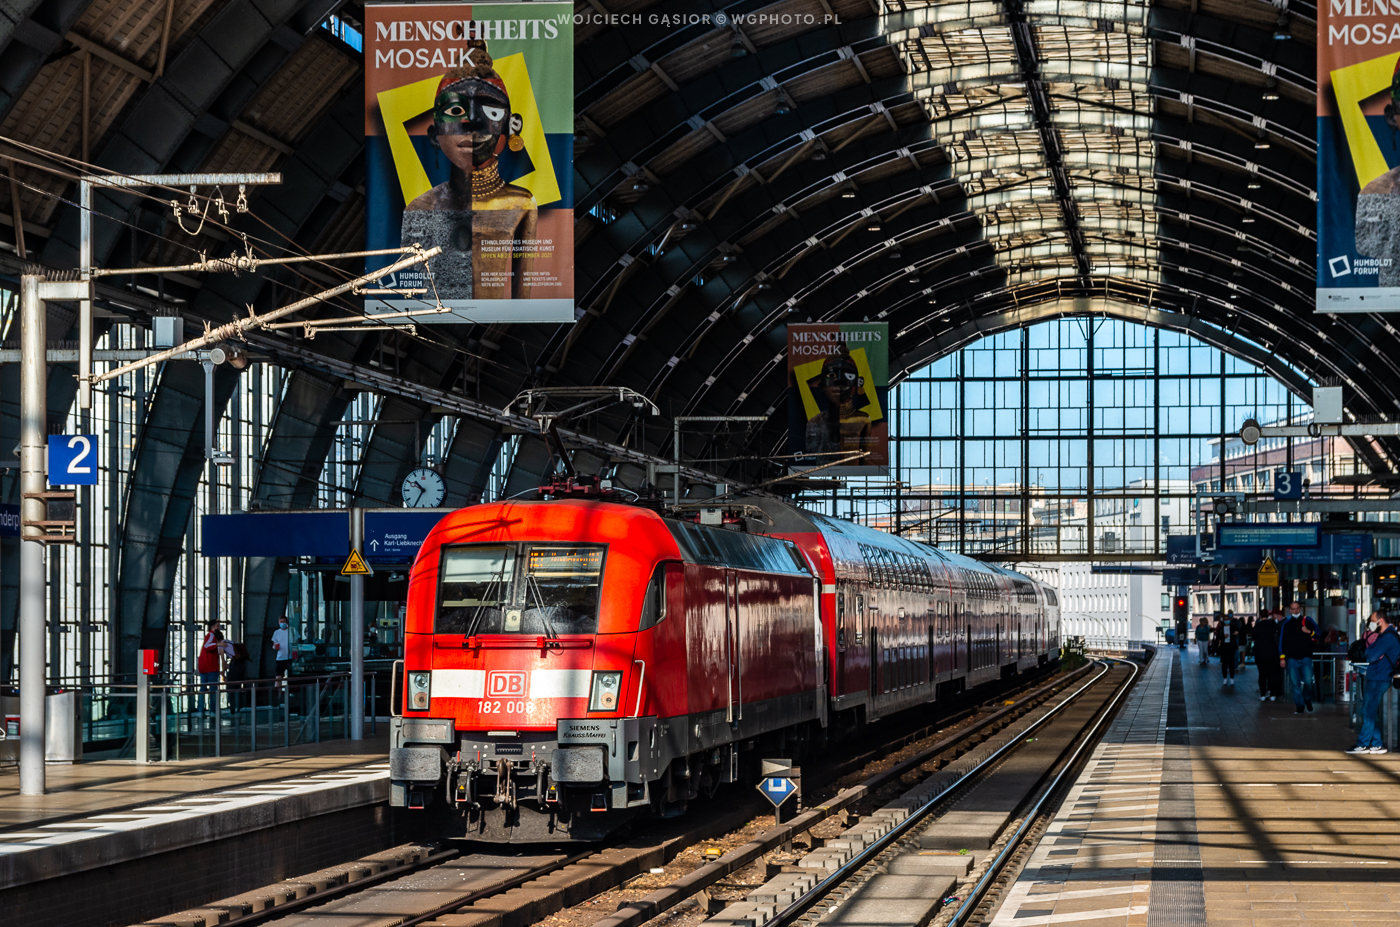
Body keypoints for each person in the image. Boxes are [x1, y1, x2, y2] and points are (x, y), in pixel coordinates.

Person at [403, 40, 537, 301]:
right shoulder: (419, 208)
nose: (473, 124)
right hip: (438, 320)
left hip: (494, 321)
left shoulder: (521, 203)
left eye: (491, 111)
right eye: (456, 110)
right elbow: (414, 291)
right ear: (434, 135)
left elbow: (523, 297)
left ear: (511, 127)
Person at [1348, 610, 1399, 755]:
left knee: (1368, 711)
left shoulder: (1388, 637)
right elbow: (1370, 652)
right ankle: (1376, 744)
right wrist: (1372, 650)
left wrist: (1372, 651)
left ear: (1380, 621)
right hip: (1377, 676)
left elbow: (1371, 655)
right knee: (1368, 711)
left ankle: (1363, 744)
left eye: (1372, 620)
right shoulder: (1385, 636)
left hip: (1379, 678)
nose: (1370, 624)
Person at [1279, 601, 1320, 714]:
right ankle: (1300, 706)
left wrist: (1309, 632)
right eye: (1293, 609)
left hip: (1306, 656)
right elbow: (1282, 641)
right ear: (1290, 610)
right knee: (1295, 684)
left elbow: (1319, 633)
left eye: (1297, 608)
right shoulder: (1286, 624)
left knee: (1308, 681)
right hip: (1291, 658)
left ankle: (1307, 699)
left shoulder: (1308, 621)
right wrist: (1282, 657)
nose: (1295, 610)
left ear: (1300, 609)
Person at [1253, 609, 1283, 701]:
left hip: (1260, 654)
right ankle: (1272, 694)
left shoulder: (1257, 626)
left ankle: (1263, 694)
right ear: (1268, 615)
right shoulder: (1273, 625)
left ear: (1260, 616)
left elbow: (1253, 637)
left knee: (1262, 674)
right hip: (1272, 653)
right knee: (1272, 674)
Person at [196, 619, 223, 712]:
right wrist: (218, 644)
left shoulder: (208, 636)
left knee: (203, 689)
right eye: (217, 626)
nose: (219, 628)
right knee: (213, 690)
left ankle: (200, 710)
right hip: (211, 667)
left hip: (203, 668)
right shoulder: (211, 635)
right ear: (212, 627)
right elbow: (207, 646)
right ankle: (213, 710)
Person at [1215, 612, 1244, 687]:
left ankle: (1231, 678)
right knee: (1224, 663)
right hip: (1224, 647)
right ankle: (1225, 678)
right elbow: (1218, 637)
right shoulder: (1221, 628)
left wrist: (1237, 633)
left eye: (1227, 619)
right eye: (1225, 619)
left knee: (1231, 662)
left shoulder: (1233, 627)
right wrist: (1223, 637)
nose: (1226, 620)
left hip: (1231, 646)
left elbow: (1240, 630)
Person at [272, 615, 295, 685]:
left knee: (292, 677)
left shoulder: (292, 631)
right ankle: (279, 691)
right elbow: (274, 645)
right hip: (280, 657)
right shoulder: (276, 633)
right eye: (281, 622)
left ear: (287, 622)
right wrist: (275, 647)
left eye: (283, 621)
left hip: (291, 657)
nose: (282, 623)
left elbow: (297, 642)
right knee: (278, 677)